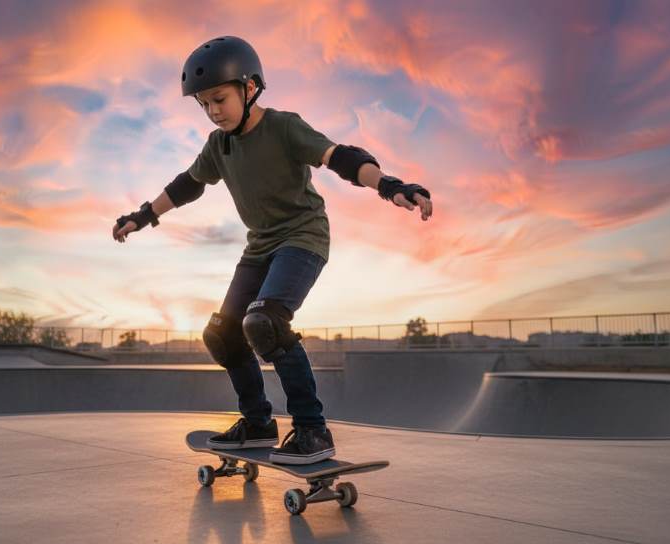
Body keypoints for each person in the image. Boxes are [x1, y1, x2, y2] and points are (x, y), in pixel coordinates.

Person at [112, 36, 432, 464]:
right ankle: (258, 423)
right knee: (222, 333)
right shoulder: (218, 145)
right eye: (204, 104)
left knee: (265, 322)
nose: (213, 112)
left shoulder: (283, 127)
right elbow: (187, 184)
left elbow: (341, 157)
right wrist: (142, 216)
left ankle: (312, 429)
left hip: (303, 237)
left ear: (249, 87)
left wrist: (390, 185)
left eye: (219, 99)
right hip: (259, 247)